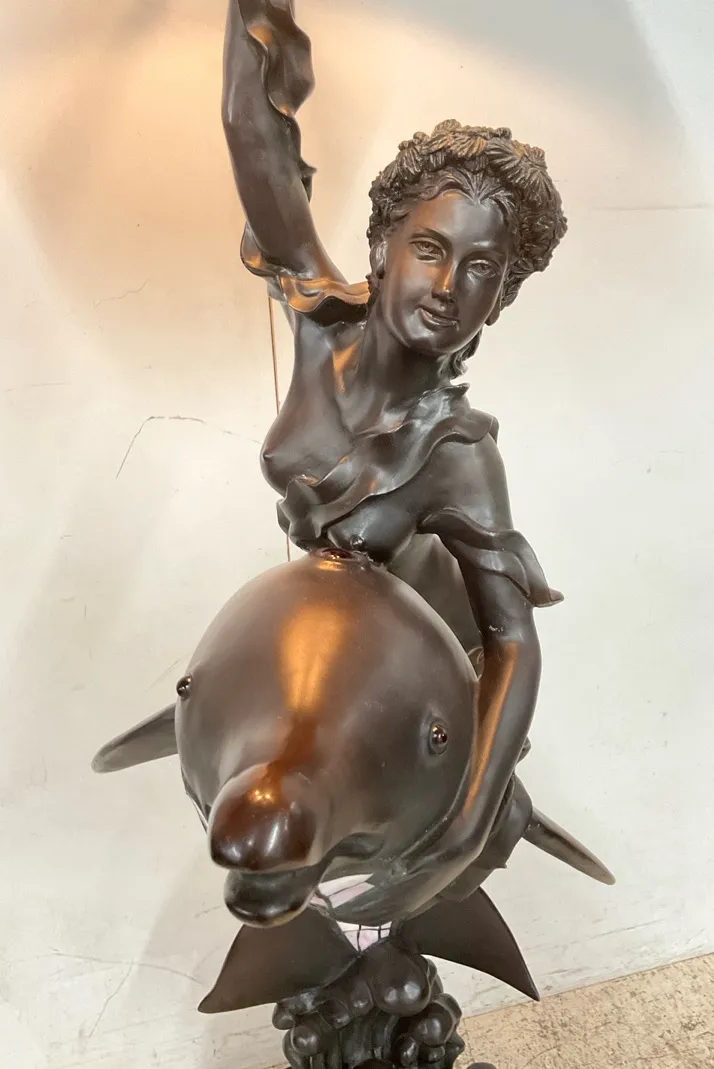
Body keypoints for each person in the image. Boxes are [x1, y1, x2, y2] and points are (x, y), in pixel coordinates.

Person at [221, 0, 568, 874]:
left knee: (362, 874)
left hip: (409, 705)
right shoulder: (317, 322)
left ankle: (471, 849)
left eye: (482, 269)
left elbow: (513, 643)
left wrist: (465, 825)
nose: (449, 286)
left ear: (502, 299)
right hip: (324, 666)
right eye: (431, 249)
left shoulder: (459, 455)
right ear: (382, 249)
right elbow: (251, 130)